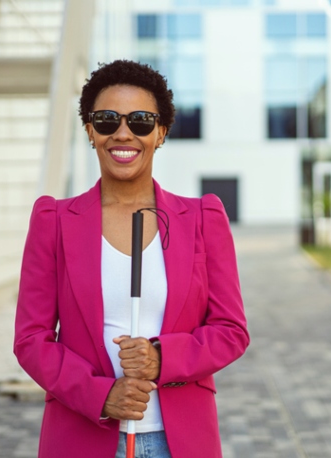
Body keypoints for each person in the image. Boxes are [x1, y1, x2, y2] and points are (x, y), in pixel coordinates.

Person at [14, 60, 250, 458]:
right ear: (90, 130)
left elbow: (231, 330)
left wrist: (161, 356)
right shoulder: (53, 220)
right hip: (82, 436)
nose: (123, 133)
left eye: (140, 121)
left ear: (161, 132)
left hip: (177, 441)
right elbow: (32, 340)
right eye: (107, 120)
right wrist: (102, 395)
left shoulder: (202, 219)